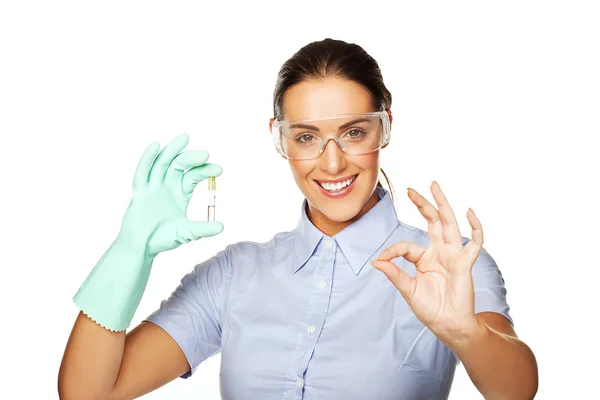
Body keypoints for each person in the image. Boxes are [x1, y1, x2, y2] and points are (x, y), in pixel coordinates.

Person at [58, 38, 538, 399]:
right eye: (306, 137)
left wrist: (463, 332)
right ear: (280, 138)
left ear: (385, 125)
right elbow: (87, 394)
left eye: (353, 132)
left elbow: (517, 390)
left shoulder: (448, 267)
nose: (332, 164)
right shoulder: (234, 275)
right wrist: (130, 251)